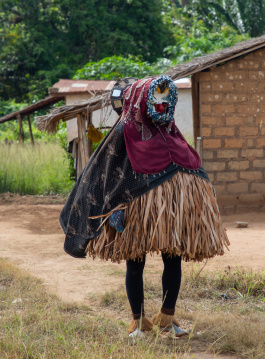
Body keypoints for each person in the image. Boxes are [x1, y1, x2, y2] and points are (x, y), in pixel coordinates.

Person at [59, 75, 229, 337]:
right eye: (155, 99)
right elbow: (102, 174)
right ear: (140, 99)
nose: (161, 106)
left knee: (173, 260)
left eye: (165, 100)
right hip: (134, 214)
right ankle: (137, 323)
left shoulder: (170, 131)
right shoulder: (122, 132)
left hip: (168, 214)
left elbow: (191, 165)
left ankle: (167, 319)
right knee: (134, 264)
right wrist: (115, 205)